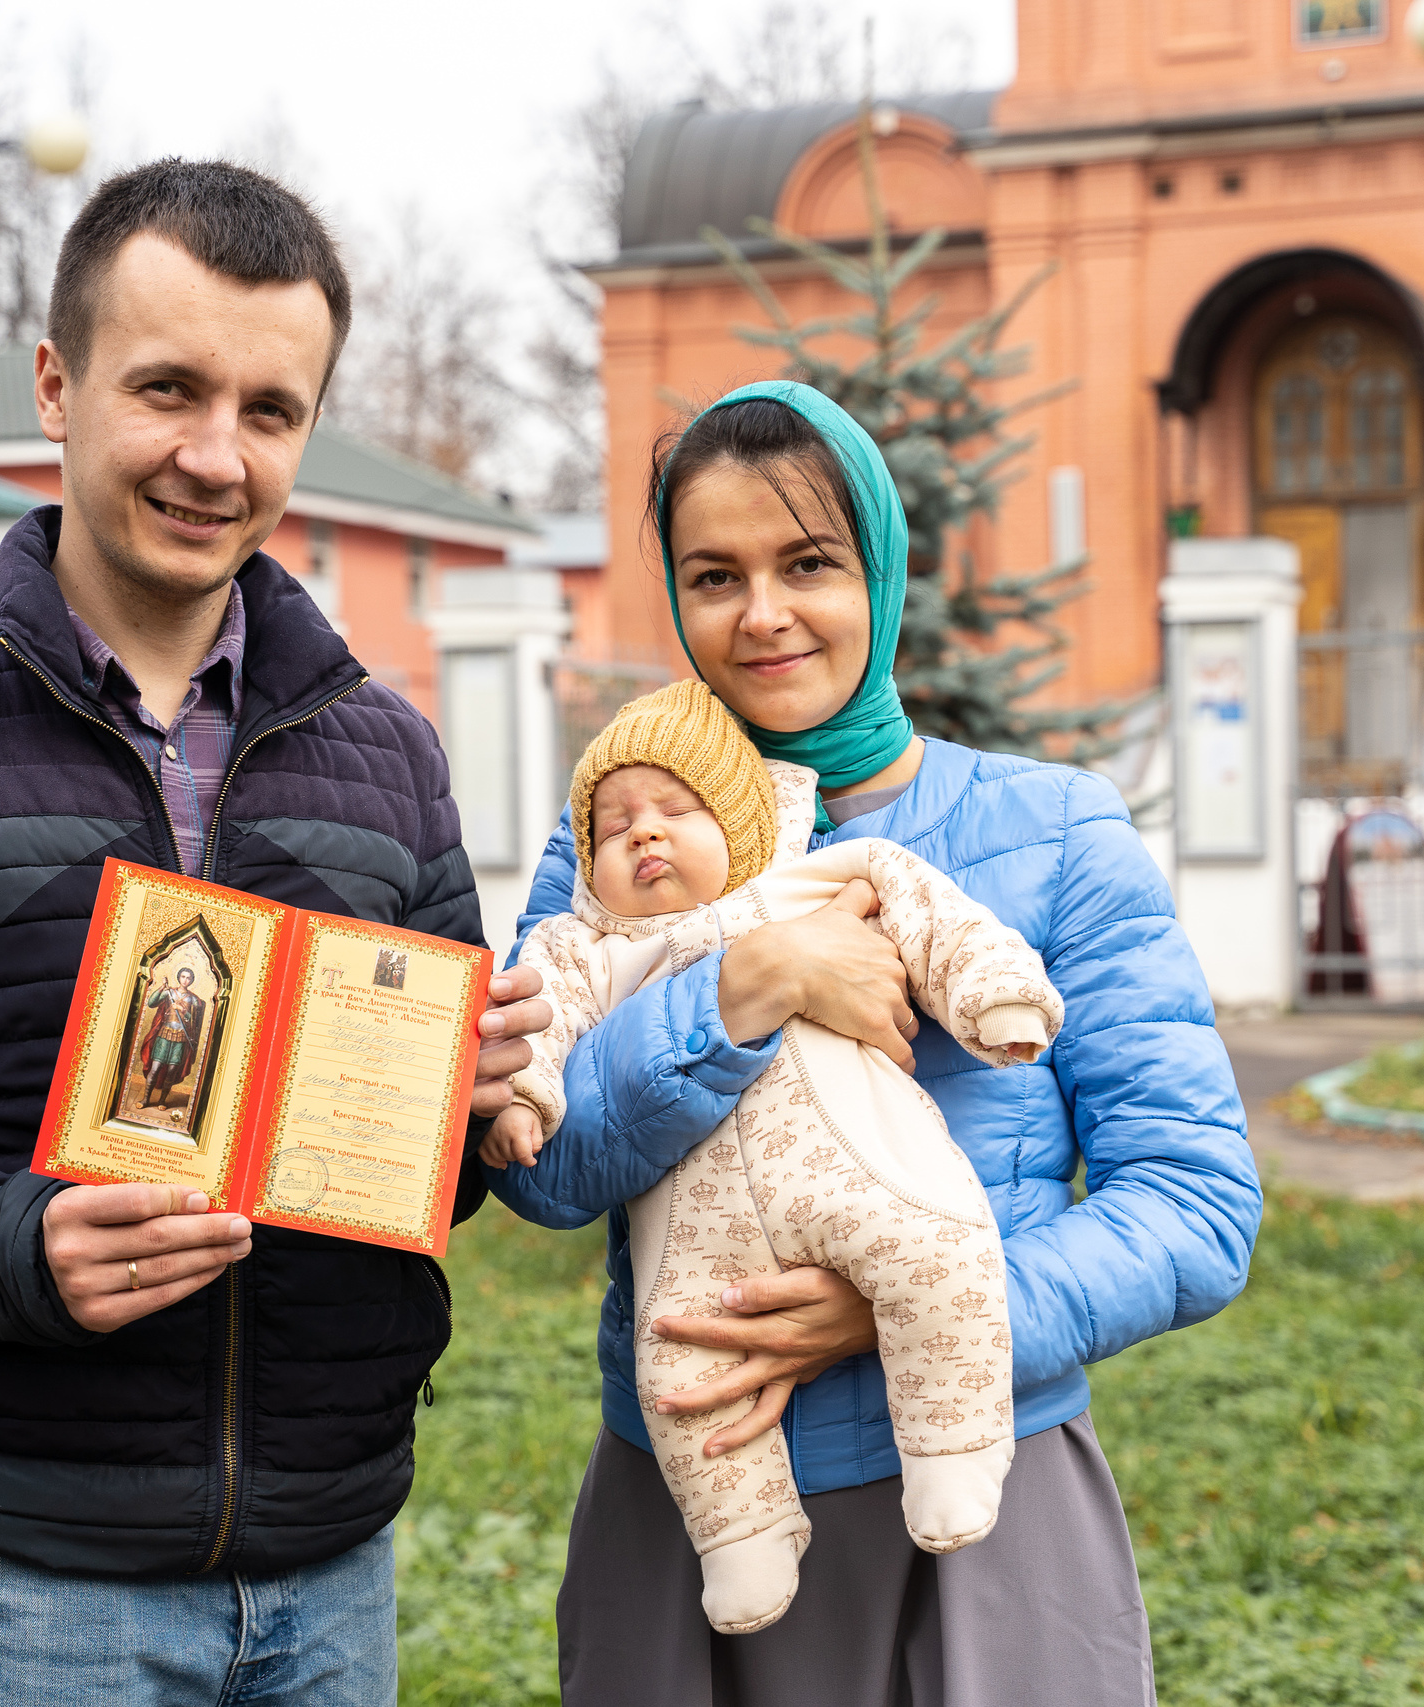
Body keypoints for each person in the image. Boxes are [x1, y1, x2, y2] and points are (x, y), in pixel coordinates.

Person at [0, 159, 550, 1706]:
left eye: (271, 409)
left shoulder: (386, 752)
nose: (219, 456)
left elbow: (417, 1178)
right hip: (27, 1584)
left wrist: (471, 1117)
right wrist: (14, 1247)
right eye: (170, 390)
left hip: (334, 1568)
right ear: (56, 388)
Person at [490, 380, 1260, 1705]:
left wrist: (905, 1311)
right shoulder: (614, 844)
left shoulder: (1057, 829)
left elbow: (1195, 1205)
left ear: (883, 568)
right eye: (715, 573)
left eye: (810, 563)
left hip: (979, 1497)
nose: (764, 612)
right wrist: (745, 981)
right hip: (692, 1501)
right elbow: (543, 1171)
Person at [482, 677, 1065, 1634]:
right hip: (697, 1235)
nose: (646, 835)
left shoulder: (813, 881)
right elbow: (536, 1025)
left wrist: (994, 996)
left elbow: (936, 918)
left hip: (856, 1169)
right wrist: (525, 1101)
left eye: (676, 809)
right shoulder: (584, 943)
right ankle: (741, 1541)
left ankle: (954, 1448)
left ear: (744, 822)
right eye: (617, 826)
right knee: (680, 1370)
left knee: (938, 1254)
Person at [139, 964, 208, 1109]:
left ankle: (162, 1101)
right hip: (164, 1034)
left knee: (171, 1070)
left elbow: (194, 1020)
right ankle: (146, 1099)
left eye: (188, 978)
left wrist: (182, 1010)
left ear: (192, 980)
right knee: (155, 1068)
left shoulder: (193, 999)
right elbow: (151, 1003)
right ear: (179, 977)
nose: (185, 980)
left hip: (180, 1038)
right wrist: (162, 988)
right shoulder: (169, 993)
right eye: (183, 977)